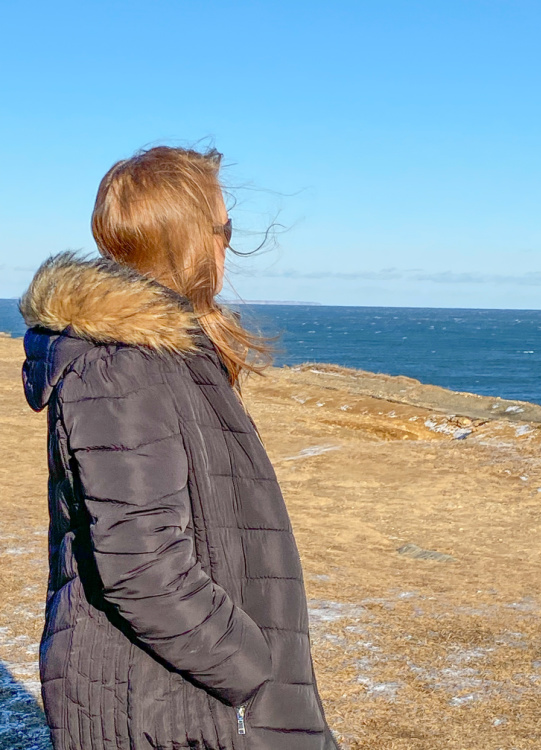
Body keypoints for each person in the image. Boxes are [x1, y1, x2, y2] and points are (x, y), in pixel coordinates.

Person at [20, 145, 341, 750]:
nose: (229, 246)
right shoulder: (123, 367)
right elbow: (142, 565)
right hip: (170, 699)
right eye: (225, 228)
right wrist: (248, 668)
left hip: (188, 689)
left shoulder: (165, 354)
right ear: (188, 239)